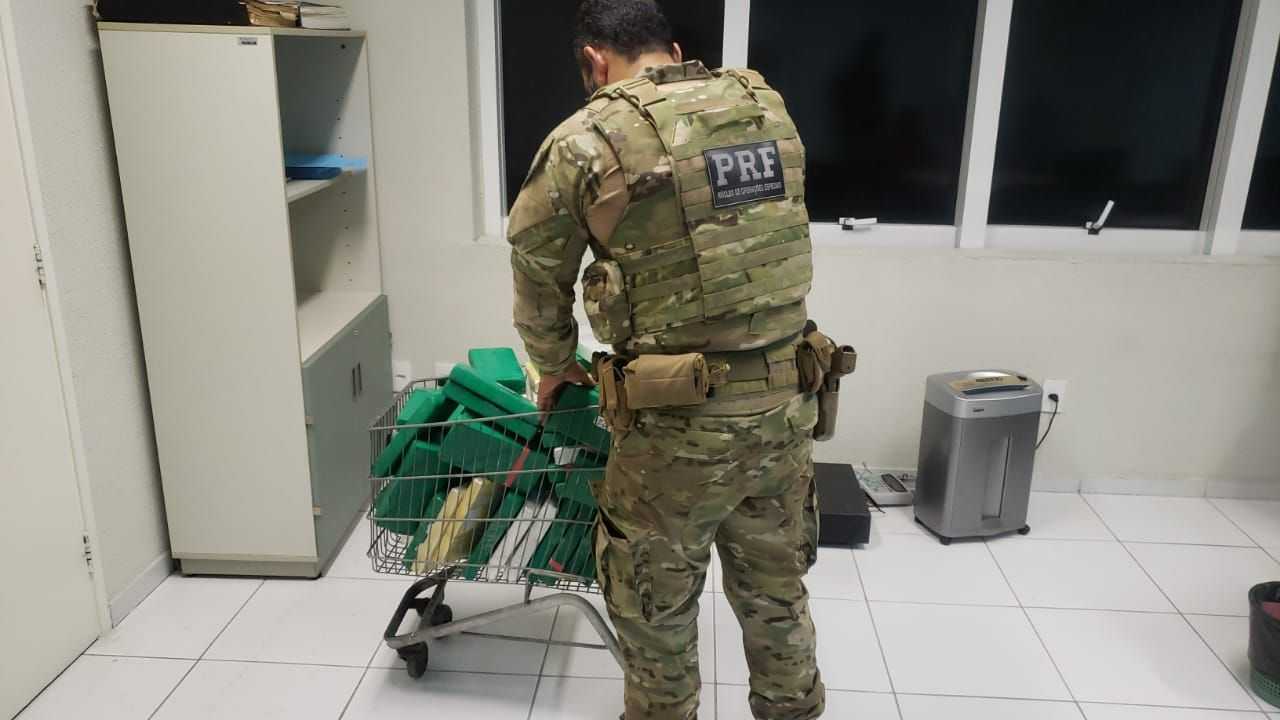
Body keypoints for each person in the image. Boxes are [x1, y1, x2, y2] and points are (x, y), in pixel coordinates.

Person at [507, 1, 823, 717]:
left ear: (594, 61)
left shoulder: (586, 139)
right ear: (674, 50)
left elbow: (536, 266)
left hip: (673, 432)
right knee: (777, 596)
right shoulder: (760, 105)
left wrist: (555, 363)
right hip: (786, 407)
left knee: (655, 610)